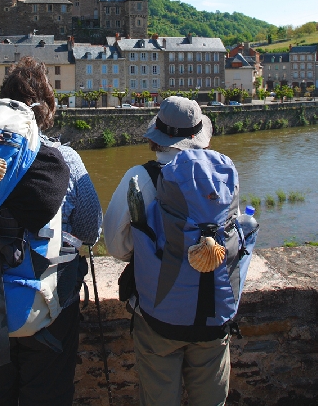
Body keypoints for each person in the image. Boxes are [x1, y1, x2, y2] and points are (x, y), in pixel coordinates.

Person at [0, 56, 102, 406]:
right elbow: (89, 231)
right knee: (49, 398)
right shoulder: (64, 159)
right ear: (48, 108)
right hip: (49, 307)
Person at [104, 96, 240, 406]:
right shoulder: (221, 176)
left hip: (158, 317)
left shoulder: (141, 177)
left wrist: (148, 250)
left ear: (158, 138)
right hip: (213, 315)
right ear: (198, 135)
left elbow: (114, 244)